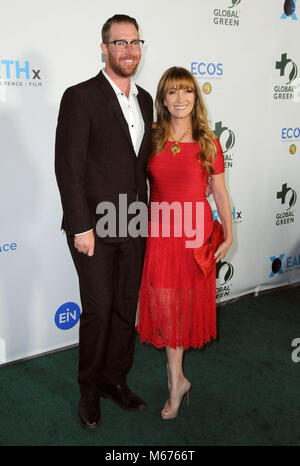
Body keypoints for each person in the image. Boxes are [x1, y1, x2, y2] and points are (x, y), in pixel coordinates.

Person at [55, 14, 153, 429]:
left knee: (123, 309)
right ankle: (89, 390)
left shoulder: (146, 100)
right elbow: (68, 167)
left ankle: (115, 380)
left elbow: (143, 166)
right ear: (104, 47)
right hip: (94, 228)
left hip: (134, 225)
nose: (128, 50)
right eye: (119, 43)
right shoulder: (80, 96)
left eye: (134, 42)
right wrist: (80, 226)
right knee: (98, 310)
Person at [137, 67, 232, 420]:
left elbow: (219, 191)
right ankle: (177, 378)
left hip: (194, 236)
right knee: (165, 309)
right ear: (163, 98)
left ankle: (176, 381)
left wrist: (230, 232)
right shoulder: (153, 137)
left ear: (196, 97)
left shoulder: (209, 140)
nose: (180, 99)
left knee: (179, 309)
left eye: (187, 92)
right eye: (173, 92)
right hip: (161, 234)